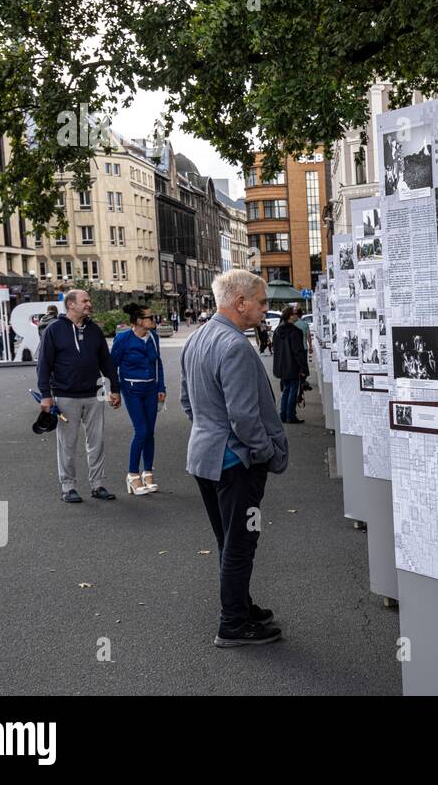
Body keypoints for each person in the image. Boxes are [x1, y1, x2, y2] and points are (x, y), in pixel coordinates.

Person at [180, 269, 288, 647]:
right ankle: (233, 623)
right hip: (235, 463)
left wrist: (211, 432)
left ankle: (239, 606)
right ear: (240, 302)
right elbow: (244, 418)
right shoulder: (235, 347)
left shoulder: (196, 340)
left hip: (206, 458)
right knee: (241, 542)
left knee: (230, 540)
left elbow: (187, 402)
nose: (264, 310)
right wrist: (264, 453)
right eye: (261, 303)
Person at [37, 289, 122, 503]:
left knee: (97, 441)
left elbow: (106, 361)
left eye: (89, 300)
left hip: (94, 394)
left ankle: (98, 484)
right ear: (71, 305)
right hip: (65, 396)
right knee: (67, 443)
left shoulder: (94, 330)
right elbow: (43, 364)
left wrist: (114, 389)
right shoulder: (54, 330)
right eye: (85, 301)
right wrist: (46, 395)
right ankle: (68, 487)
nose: (89, 304)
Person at [111, 303, 166, 496]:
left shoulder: (153, 337)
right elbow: (112, 366)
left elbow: (157, 362)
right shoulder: (123, 339)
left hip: (151, 388)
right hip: (132, 389)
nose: (154, 320)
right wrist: (115, 391)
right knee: (141, 430)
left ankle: (148, 473)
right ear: (138, 321)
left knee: (150, 432)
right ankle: (133, 474)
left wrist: (161, 387)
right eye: (150, 318)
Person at [272, 305, 308, 424]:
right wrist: (303, 367)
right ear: (290, 316)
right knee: (293, 390)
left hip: (281, 366)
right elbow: (298, 352)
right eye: (295, 313)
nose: (297, 315)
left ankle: (283, 415)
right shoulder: (295, 332)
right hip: (293, 366)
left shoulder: (277, 330)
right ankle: (290, 415)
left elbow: (275, 349)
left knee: (286, 390)